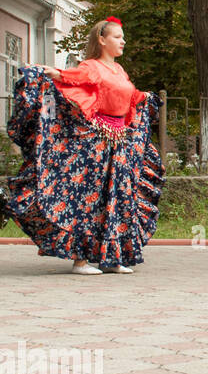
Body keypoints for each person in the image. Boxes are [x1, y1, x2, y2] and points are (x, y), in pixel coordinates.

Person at [2, 16, 163, 274]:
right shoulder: (92, 67)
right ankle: (80, 260)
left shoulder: (119, 70)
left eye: (122, 37)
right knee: (90, 199)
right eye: (117, 37)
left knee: (118, 198)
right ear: (102, 40)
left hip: (119, 145)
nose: (123, 41)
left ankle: (111, 257)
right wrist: (52, 73)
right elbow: (72, 78)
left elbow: (128, 98)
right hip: (96, 144)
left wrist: (144, 97)